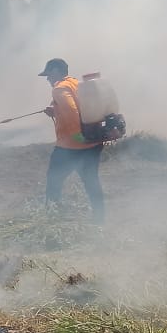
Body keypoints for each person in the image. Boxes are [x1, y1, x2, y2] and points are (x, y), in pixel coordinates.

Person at [39, 58, 105, 223]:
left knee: (54, 180)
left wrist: (77, 136)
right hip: (93, 142)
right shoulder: (76, 84)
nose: (47, 79)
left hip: (71, 146)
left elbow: (71, 111)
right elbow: (79, 106)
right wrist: (55, 111)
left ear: (56, 71)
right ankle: (99, 220)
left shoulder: (59, 88)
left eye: (48, 74)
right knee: (91, 181)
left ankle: (53, 220)